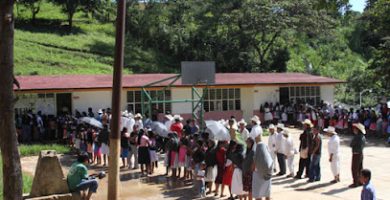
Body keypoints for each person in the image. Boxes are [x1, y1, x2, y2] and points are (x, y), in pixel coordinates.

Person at [252, 130, 273, 200]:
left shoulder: (257, 149)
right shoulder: (265, 149)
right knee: (267, 193)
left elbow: (254, 163)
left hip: (258, 174)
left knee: (258, 194)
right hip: (267, 174)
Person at [349, 123, 366, 188]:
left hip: (356, 154)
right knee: (360, 168)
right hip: (361, 153)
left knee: (354, 169)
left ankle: (355, 182)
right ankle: (361, 181)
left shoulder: (357, 137)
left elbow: (351, 144)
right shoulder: (363, 136)